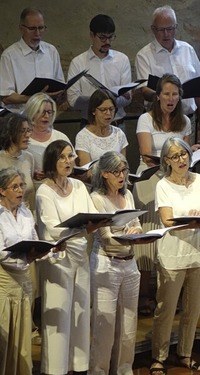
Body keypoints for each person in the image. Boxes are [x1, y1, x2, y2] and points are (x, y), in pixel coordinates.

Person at [35, 139, 105, 374]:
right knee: (60, 313)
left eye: (71, 156)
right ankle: (55, 369)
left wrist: (93, 223)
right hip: (58, 258)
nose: (68, 161)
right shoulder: (44, 190)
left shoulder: (78, 186)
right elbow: (52, 228)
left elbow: (92, 215)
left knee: (81, 311)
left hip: (79, 255)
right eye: (63, 157)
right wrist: (80, 227)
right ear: (52, 161)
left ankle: (79, 366)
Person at [151, 137, 200, 374]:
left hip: (199, 251)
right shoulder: (163, 185)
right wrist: (192, 221)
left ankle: (185, 353)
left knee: (193, 308)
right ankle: (159, 356)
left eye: (184, 154)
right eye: (175, 156)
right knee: (166, 309)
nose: (181, 159)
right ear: (167, 160)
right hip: (173, 253)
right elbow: (167, 220)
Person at [134, 73, 191, 315]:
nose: (170, 98)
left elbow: (186, 153)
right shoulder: (145, 120)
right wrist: (172, 159)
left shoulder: (185, 121)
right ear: (158, 96)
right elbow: (147, 154)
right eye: (166, 94)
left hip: (175, 181)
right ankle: (144, 294)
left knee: (169, 235)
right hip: (149, 179)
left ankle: (167, 292)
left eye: (175, 94)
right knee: (148, 235)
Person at [88, 151, 142, 374]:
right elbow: (106, 238)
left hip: (129, 264)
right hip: (106, 264)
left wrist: (135, 230)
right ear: (104, 174)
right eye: (116, 171)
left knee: (129, 325)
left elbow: (137, 223)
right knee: (104, 325)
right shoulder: (96, 199)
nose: (122, 175)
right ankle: (99, 371)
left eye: (124, 170)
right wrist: (128, 236)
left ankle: (123, 370)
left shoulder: (127, 194)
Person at [0, 167, 57, 375]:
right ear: (1, 190)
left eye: (22, 185)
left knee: (23, 338)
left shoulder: (25, 212)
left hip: (24, 282)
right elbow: (1, 254)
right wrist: (27, 257)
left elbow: (33, 240)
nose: (20, 190)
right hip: (4, 284)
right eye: (14, 186)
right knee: (5, 341)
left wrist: (48, 250)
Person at [135, 5, 200, 139]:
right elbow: (145, 91)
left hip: (188, 120)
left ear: (176, 27)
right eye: (161, 30)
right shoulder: (144, 55)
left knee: (185, 158)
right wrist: (164, 95)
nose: (166, 34)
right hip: (159, 122)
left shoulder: (187, 50)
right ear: (153, 29)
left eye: (170, 29)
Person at [67, 14, 132, 124]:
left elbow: (127, 98)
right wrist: (101, 102)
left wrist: (105, 102)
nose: (107, 42)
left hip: (116, 123)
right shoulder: (78, 62)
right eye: (102, 37)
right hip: (90, 124)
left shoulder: (122, 60)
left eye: (110, 37)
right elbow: (73, 101)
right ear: (92, 35)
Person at [0, 7, 64, 112]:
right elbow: (6, 97)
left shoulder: (51, 51)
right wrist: (34, 98)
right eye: (32, 28)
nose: (37, 33)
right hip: (20, 120)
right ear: (21, 28)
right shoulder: (9, 55)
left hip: (46, 117)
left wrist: (60, 94)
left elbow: (59, 83)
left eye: (41, 28)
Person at [23, 93, 70, 186]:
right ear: (32, 112)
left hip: (59, 186)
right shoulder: (23, 139)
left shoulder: (60, 137)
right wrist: (32, 173)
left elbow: (72, 166)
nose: (47, 116)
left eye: (49, 112)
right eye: (42, 112)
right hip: (33, 187)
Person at [75, 89, 128, 167]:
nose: (108, 113)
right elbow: (86, 171)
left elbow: (124, 165)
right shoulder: (83, 136)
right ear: (93, 111)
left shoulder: (119, 134)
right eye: (103, 110)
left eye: (111, 109)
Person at [0, 113, 35, 210]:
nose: (28, 135)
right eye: (23, 131)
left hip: (26, 216)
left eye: (28, 130)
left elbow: (30, 194)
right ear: (10, 133)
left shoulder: (29, 158)